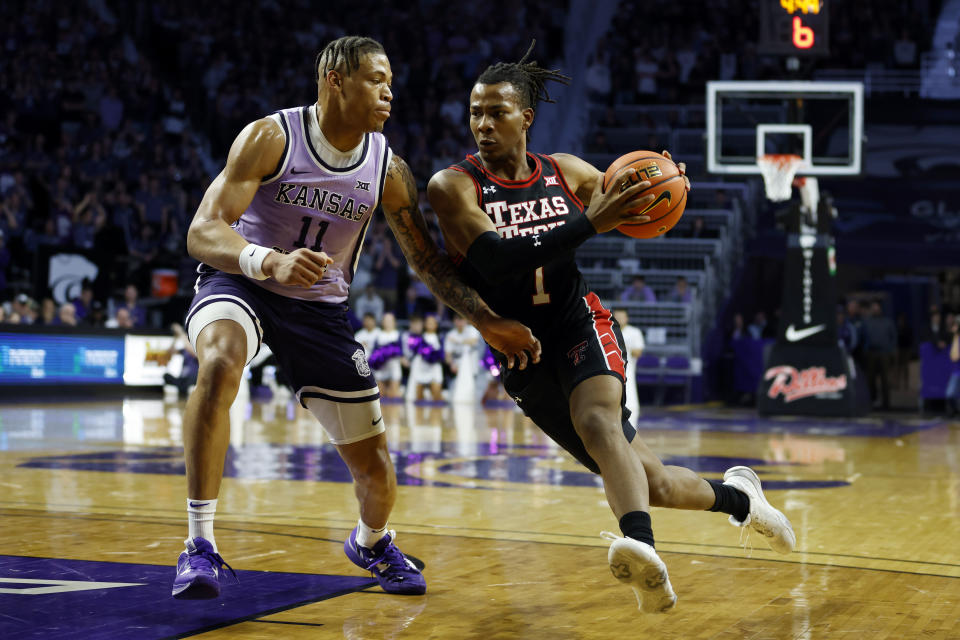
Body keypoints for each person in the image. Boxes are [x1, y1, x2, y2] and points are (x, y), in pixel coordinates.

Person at [426, 45, 795, 614]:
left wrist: (663, 185)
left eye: (496, 112)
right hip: (522, 353)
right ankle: (741, 500)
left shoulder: (566, 172)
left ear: (526, 118)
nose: (482, 124)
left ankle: (642, 555)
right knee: (657, 485)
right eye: (475, 112)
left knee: (597, 419)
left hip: (579, 323)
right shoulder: (453, 187)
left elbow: (632, 200)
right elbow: (497, 262)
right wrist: (587, 222)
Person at [172, 36, 541, 601]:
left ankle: (371, 543)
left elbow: (425, 262)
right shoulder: (272, 136)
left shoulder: (388, 170)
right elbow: (203, 232)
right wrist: (267, 260)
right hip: (242, 279)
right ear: (334, 80)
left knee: (377, 473)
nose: (389, 90)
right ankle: (199, 546)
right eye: (375, 78)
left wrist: (485, 319)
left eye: (391, 80)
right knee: (221, 362)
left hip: (320, 309)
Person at [612, 308, 645, 420]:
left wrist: (624, 348)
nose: (619, 319)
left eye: (621, 317)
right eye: (617, 316)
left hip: (628, 368)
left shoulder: (634, 332)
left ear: (627, 318)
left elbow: (638, 352)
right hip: (611, 366)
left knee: (630, 397)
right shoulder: (609, 330)